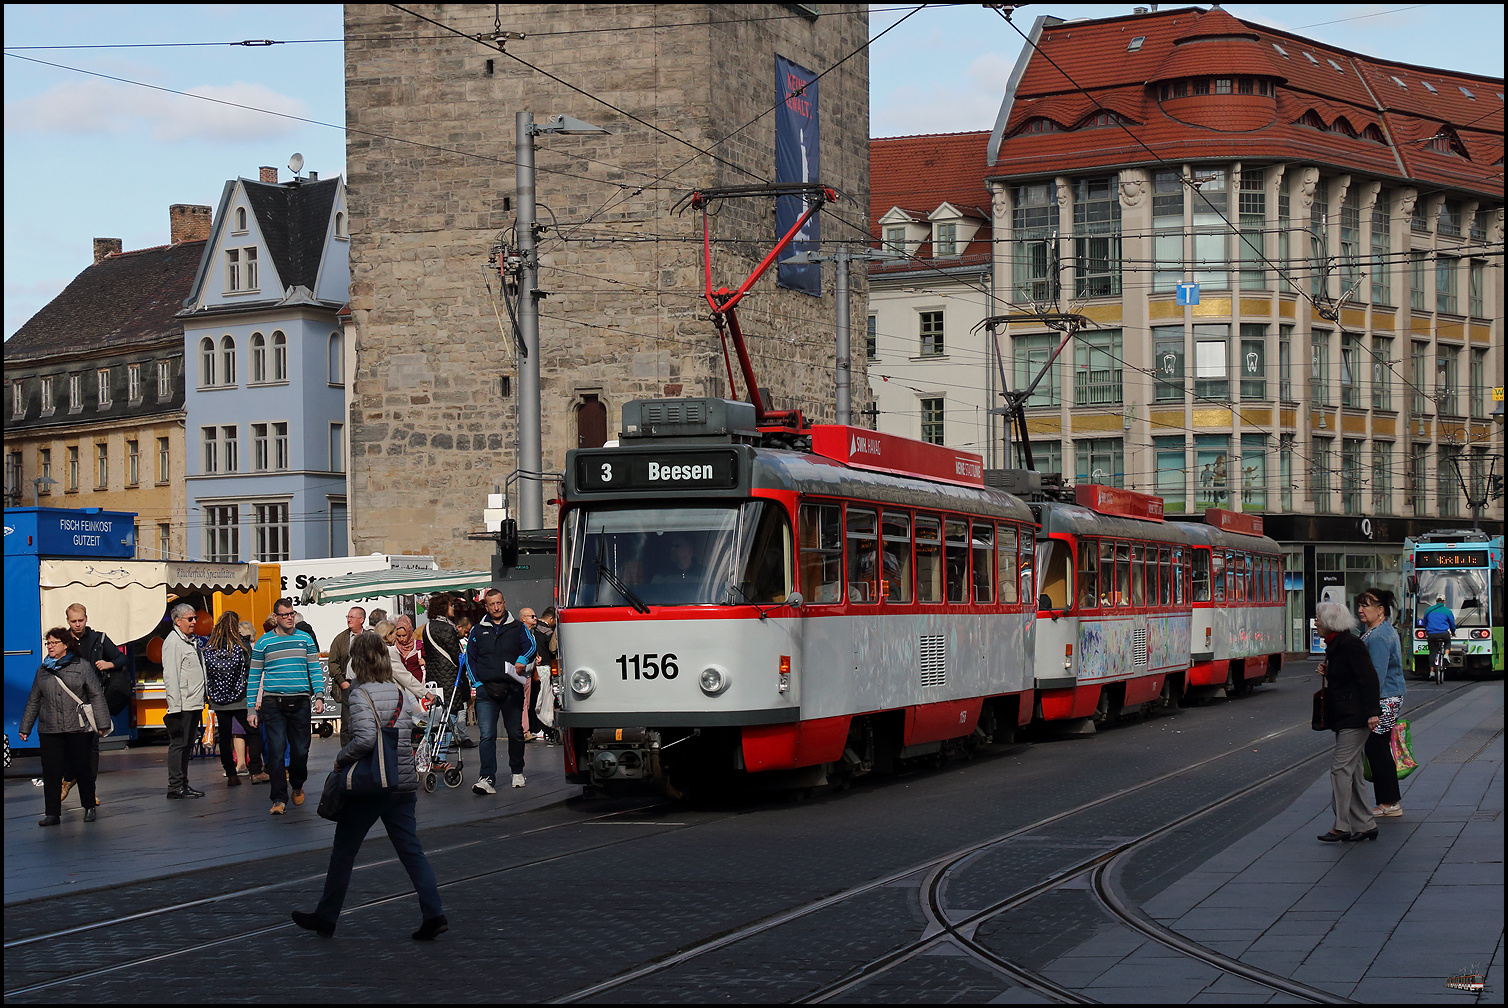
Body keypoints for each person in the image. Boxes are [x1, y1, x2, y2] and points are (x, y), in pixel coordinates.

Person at [291, 632, 447, 941]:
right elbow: (412, 727)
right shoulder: (401, 693)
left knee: (344, 851)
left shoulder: (361, 695)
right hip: (402, 783)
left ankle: (326, 916)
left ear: (358, 662)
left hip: (371, 784)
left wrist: (340, 759)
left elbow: (363, 740)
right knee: (411, 851)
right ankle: (434, 913)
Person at [19, 627, 111, 825]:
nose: (50, 646)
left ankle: (89, 806)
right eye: (48, 643)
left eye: (54, 643)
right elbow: (34, 699)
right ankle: (52, 813)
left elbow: (96, 695)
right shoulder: (43, 670)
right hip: (49, 728)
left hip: (77, 728)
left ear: (66, 645)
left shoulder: (82, 666)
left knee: (81, 768)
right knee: (51, 772)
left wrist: (102, 723)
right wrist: (25, 727)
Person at [248, 598, 326, 816]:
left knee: (301, 751)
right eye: (285, 615)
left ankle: (298, 784)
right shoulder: (263, 643)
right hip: (273, 703)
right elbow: (253, 677)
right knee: (275, 751)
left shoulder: (305, 639)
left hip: (300, 701)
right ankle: (278, 798)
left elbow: (315, 669)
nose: (290, 618)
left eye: (292, 613)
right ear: (275, 618)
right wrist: (251, 709)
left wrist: (319, 696)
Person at [1314, 601, 1382, 843]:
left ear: (1330, 623)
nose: (1316, 623)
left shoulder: (1351, 645)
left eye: (1319, 619)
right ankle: (1365, 824)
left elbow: (1368, 678)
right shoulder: (1338, 645)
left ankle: (1342, 824)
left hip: (1355, 716)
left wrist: (1373, 712)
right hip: (1346, 714)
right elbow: (1350, 678)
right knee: (1352, 771)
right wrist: (1329, 671)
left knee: (1340, 769)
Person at [466, 588, 536, 793]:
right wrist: (477, 683)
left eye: (499, 603)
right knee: (487, 735)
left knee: (515, 733)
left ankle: (517, 771)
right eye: (492, 604)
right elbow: (470, 658)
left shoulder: (518, 627)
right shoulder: (478, 630)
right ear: (486, 606)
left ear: (504, 603)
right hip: (486, 690)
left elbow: (531, 647)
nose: (496, 607)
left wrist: (523, 659)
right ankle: (486, 778)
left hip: (512, 687)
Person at [61, 603, 125, 806]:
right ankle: (69, 778)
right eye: (73, 621)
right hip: (70, 700)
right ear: (68, 621)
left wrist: (109, 664)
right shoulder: (64, 641)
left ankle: (89, 791)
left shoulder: (98, 639)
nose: (78, 624)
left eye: (80, 620)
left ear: (86, 618)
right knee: (71, 746)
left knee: (92, 748)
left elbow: (121, 658)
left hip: (94, 700)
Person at [1358, 589, 1406, 818]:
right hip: (1388, 695)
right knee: (1378, 747)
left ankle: (1389, 801)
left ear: (1380, 611)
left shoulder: (1378, 636)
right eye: (1359, 605)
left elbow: (1375, 673)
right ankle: (1388, 800)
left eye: (1365, 605)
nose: (1360, 610)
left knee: (1377, 748)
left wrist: (1371, 708)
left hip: (1384, 697)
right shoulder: (1379, 631)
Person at [203, 611, 263, 786]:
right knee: (252, 732)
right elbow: (251, 670)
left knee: (225, 736)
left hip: (218, 699)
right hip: (239, 698)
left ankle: (231, 774)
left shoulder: (209, 647)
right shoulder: (241, 646)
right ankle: (255, 771)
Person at [161, 603, 208, 800]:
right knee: (179, 745)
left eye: (195, 618)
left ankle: (183, 783)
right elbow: (170, 676)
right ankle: (176, 786)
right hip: (183, 705)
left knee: (188, 745)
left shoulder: (191, 641)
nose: (194, 622)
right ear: (177, 621)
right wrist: (174, 708)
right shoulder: (173, 642)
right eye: (190, 619)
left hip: (195, 702)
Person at [422, 594, 471, 748]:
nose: (453, 608)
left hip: (435, 677)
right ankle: (440, 753)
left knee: (437, 716)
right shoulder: (446, 628)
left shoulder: (428, 627)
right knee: (450, 715)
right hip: (449, 678)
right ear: (443, 607)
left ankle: (431, 749)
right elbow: (456, 655)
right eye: (451, 605)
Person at [328, 607, 367, 746]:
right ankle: (346, 752)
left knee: (366, 718)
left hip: (367, 684)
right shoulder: (341, 639)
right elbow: (332, 662)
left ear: (361, 620)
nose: (349, 620)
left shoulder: (369, 637)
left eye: (352, 617)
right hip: (348, 684)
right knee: (347, 720)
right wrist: (342, 682)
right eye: (348, 617)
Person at [375, 620, 440, 702]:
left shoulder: (372, 651)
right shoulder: (389, 651)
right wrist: (425, 693)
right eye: (396, 634)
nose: (398, 638)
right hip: (391, 696)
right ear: (389, 634)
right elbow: (404, 676)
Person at [516, 608, 549, 741]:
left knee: (527, 703)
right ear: (523, 618)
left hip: (528, 672)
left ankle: (523, 730)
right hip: (519, 672)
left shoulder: (532, 634)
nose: (535, 619)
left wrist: (536, 658)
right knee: (523, 702)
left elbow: (531, 648)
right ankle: (524, 731)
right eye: (532, 616)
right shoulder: (518, 633)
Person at [1421, 593, 1456, 677]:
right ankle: (1446, 655)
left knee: (1432, 652)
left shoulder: (1429, 610)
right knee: (1447, 642)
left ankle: (1432, 671)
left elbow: (1425, 622)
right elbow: (1452, 624)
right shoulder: (1447, 611)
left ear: (1436, 601)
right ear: (1444, 601)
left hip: (1431, 634)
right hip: (1443, 633)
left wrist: (1426, 629)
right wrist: (1453, 632)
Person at [393, 616, 425, 682]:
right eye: (398, 636)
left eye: (404, 635)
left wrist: (424, 663)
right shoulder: (394, 648)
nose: (401, 639)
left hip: (417, 684)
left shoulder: (418, 646)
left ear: (409, 633)